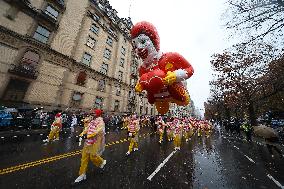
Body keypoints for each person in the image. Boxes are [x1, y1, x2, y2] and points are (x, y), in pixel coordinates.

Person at [131, 21, 194, 114]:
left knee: (159, 75)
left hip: (177, 93)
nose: (138, 48)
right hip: (158, 99)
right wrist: (140, 85)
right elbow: (145, 84)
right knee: (161, 109)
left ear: (153, 41)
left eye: (143, 41)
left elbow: (190, 69)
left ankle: (177, 95)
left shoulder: (170, 57)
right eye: (135, 45)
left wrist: (176, 75)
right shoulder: (142, 69)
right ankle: (161, 101)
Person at [74, 109, 106, 184]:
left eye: (93, 113)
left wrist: (87, 136)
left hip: (94, 142)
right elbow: (86, 129)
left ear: (98, 114)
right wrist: (81, 135)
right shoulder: (92, 121)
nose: (92, 114)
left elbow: (97, 131)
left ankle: (101, 162)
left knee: (93, 156)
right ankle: (82, 174)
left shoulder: (100, 122)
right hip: (87, 142)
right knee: (84, 158)